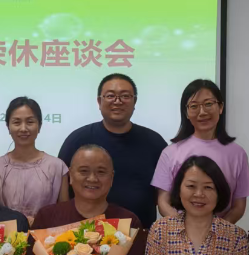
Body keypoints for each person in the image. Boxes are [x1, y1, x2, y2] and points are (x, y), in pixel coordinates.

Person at [57, 74, 167, 229]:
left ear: (135, 101)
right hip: (82, 236)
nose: (118, 101)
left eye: (125, 96)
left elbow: (164, 194)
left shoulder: (154, 142)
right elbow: (63, 189)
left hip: (140, 233)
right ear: (99, 101)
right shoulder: (77, 140)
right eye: (110, 96)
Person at [152, 79, 249, 225]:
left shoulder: (238, 153)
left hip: (221, 234)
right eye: (194, 106)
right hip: (179, 233)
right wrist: (184, 229)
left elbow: (238, 206)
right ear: (186, 112)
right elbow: (163, 202)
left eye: (208, 104)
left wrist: (217, 230)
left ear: (220, 107)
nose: (202, 112)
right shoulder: (170, 153)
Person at [0, 96, 69, 222]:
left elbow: (63, 214)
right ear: (8, 127)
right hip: (5, 233)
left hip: (46, 233)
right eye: (17, 122)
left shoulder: (57, 166)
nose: (23, 129)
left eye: (30, 122)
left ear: (39, 126)